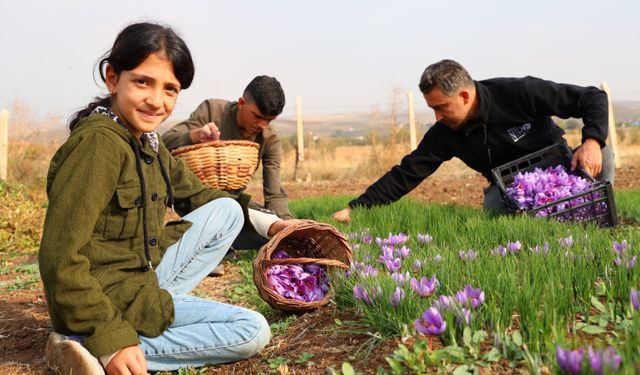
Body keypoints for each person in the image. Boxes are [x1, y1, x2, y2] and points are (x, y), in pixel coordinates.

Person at [39, 22, 301, 375]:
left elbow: (200, 196)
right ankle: (88, 346)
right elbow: (60, 258)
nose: (156, 101)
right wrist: (110, 335)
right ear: (113, 79)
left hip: (138, 280)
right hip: (100, 298)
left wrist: (274, 224)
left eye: (170, 89)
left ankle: (122, 332)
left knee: (225, 209)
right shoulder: (98, 145)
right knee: (251, 330)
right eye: (142, 82)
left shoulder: (148, 143)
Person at [332, 59, 615, 223]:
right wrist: (357, 208)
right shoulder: (445, 132)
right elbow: (407, 172)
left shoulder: (517, 92)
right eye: (432, 108)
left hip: (558, 169)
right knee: (493, 211)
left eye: (441, 107)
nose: (437, 116)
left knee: (605, 154)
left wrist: (591, 140)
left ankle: (598, 216)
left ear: (464, 97)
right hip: (510, 189)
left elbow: (592, 97)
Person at [162, 76, 292, 251]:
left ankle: (215, 244)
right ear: (241, 102)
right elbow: (165, 141)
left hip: (235, 205)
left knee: (271, 235)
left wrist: (285, 225)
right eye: (257, 116)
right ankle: (210, 244)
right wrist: (195, 135)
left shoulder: (269, 138)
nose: (262, 125)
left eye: (268, 120)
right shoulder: (211, 111)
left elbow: (274, 192)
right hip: (196, 200)